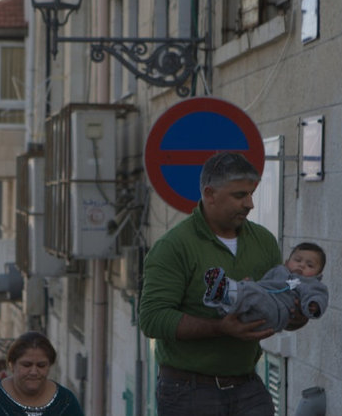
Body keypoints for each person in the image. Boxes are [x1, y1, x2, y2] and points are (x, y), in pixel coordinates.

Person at [139, 151, 307, 416]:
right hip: (188, 391)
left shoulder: (264, 241)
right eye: (240, 195)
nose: (250, 203)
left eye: (252, 193)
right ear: (210, 194)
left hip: (247, 386)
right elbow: (152, 318)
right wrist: (220, 327)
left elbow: (280, 303)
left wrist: (296, 312)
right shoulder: (173, 246)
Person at [203, 242, 329, 332]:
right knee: (248, 290)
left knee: (253, 295)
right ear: (286, 262)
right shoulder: (279, 270)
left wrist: (313, 305)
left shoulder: (311, 284)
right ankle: (221, 299)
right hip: (263, 303)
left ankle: (226, 291)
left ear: (318, 274)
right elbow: (264, 283)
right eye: (298, 260)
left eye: (310, 265)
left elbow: (318, 296)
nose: (301, 265)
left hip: (278, 310)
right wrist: (252, 283)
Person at [0, 331, 84, 416]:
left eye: (41, 365)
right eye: (26, 365)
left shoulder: (66, 402)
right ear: (12, 365)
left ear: (49, 366)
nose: (34, 372)